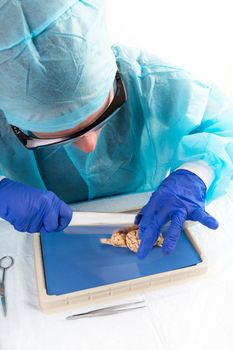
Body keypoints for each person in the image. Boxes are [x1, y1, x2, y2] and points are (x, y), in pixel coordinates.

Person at [0, 0, 233, 258]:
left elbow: (223, 128)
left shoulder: (153, 83)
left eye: (103, 116)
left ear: (115, 78)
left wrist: (197, 173)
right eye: (57, 136)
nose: (90, 147)